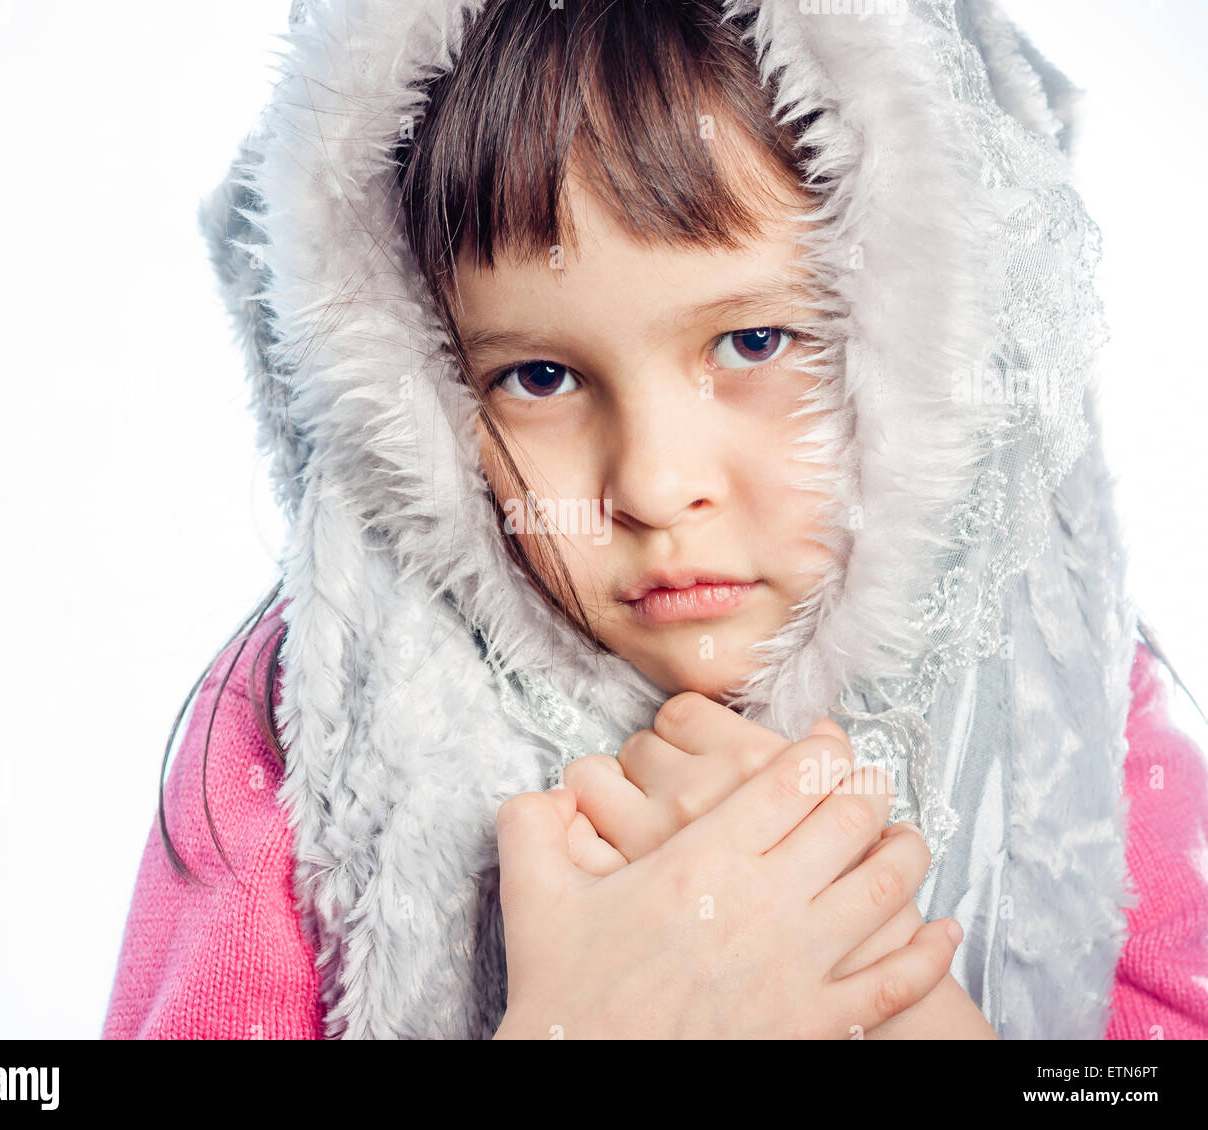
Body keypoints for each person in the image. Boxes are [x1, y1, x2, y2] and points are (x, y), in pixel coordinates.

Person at [102, 0, 1208, 1039]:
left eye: (755, 342)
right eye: (538, 375)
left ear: (933, 331)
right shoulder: (293, 748)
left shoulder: (1066, 711)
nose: (653, 482)